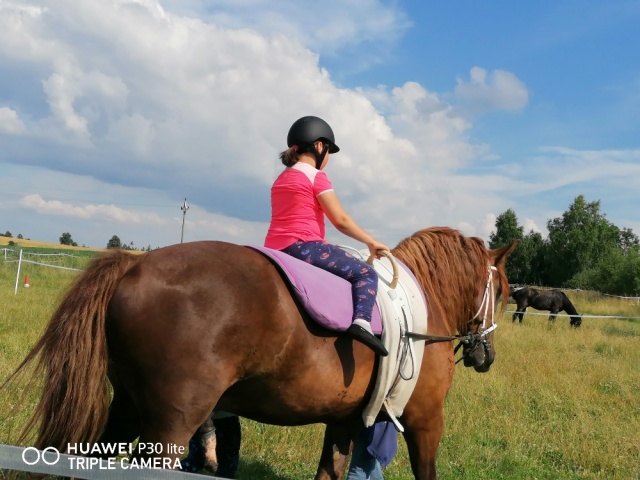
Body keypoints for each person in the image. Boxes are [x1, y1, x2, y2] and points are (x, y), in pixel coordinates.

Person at [264, 115, 389, 357]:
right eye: (329, 151)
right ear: (319, 146)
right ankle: (362, 323)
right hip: (303, 247)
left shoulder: (281, 178)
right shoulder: (316, 176)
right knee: (365, 273)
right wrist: (371, 242)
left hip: (275, 249)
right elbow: (340, 220)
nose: (328, 158)